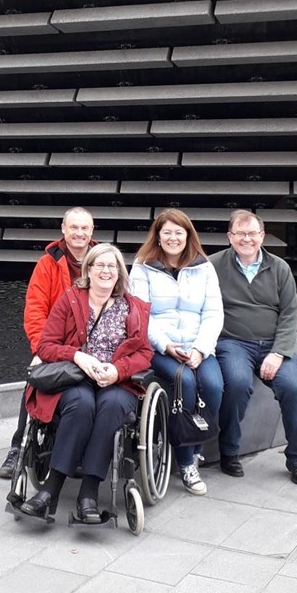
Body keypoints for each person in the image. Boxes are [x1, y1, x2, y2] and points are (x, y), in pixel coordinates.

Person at [20, 243, 152, 521]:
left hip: (116, 382)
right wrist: (77, 356)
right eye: (100, 265)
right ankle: (50, 490)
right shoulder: (70, 299)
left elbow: (144, 353)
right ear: (88, 269)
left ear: (119, 272)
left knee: (112, 406)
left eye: (112, 266)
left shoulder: (134, 307)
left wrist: (118, 371)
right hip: (76, 376)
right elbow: (46, 345)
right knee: (80, 404)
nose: (106, 271)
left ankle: (88, 494)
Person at [211, 210, 297, 486]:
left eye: (252, 233)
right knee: (237, 383)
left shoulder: (279, 267)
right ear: (229, 237)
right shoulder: (213, 266)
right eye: (240, 233)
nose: (247, 239)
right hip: (233, 342)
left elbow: (291, 312)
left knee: (295, 390)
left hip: (274, 343)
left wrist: (278, 353)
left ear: (262, 236)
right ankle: (229, 451)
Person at [129, 209, 224, 496]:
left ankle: (195, 448)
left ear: (188, 236)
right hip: (162, 346)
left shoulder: (204, 267)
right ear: (157, 235)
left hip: (198, 344)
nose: (173, 238)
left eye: (178, 232)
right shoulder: (143, 266)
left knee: (214, 385)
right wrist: (165, 345)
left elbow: (213, 312)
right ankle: (186, 464)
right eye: (167, 232)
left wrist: (200, 348)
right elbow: (141, 315)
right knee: (186, 383)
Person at [0, 207, 95, 478]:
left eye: (84, 228)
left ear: (92, 231)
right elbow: (35, 310)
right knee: (35, 378)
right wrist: (41, 348)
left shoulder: (102, 260)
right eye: (73, 227)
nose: (79, 233)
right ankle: (18, 446)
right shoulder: (48, 263)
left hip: (93, 343)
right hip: (54, 341)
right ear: (63, 229)